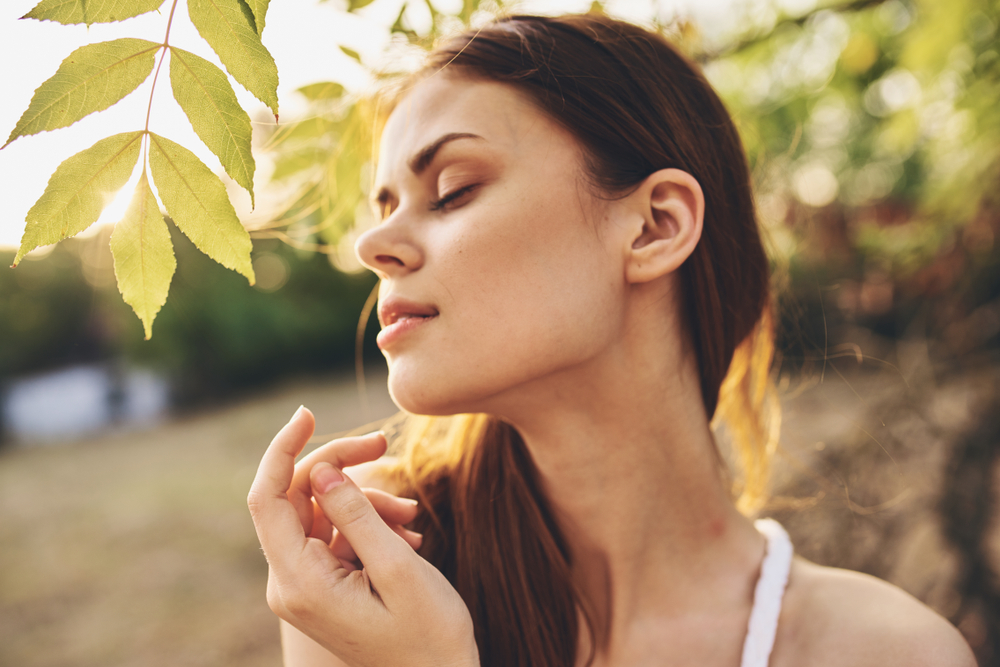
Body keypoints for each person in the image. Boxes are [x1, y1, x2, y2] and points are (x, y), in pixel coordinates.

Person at [247, 14, 976, 667]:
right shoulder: (369, 577)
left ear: (655, 224)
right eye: (384, 205)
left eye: (452, 189)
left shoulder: (888, 651)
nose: (373, 242)